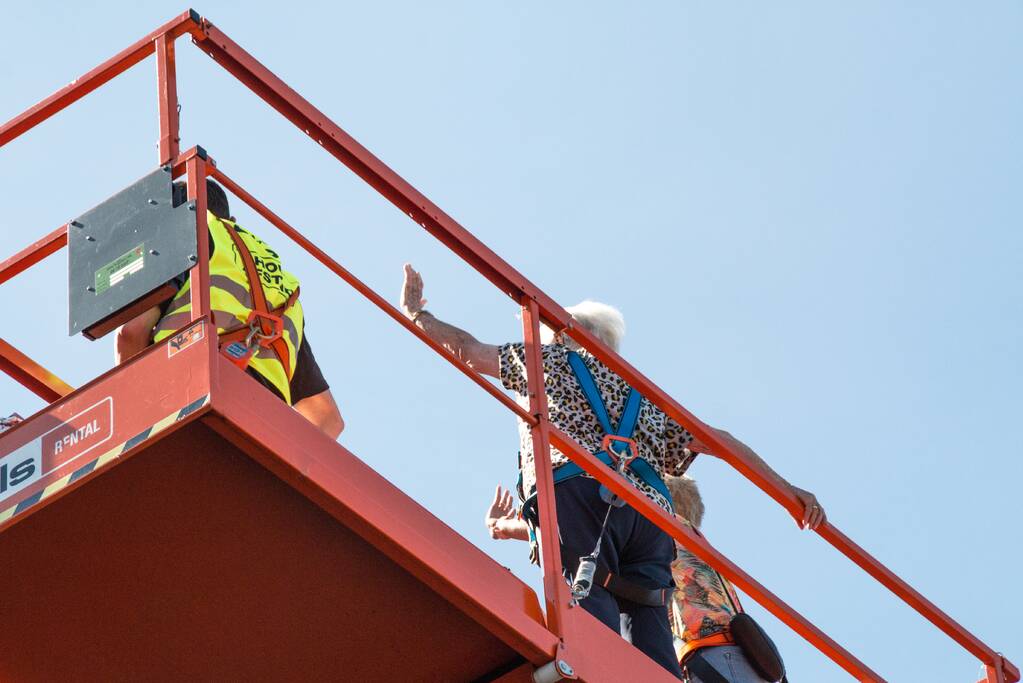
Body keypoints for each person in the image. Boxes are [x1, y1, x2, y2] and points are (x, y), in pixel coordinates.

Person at [401, 264, 823, 679]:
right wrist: (787, 490)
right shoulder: (643, 394)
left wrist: (419, 314)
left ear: (564, 333)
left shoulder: (549, 361)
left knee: (591, 609)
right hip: (649, 516)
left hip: (579, 491)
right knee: (650, 625)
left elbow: (469, 351)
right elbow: (718, 440)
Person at [485, 477, 784, 683]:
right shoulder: (700, 544)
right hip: (742, 659)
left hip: (712, 656)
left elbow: (567, 531)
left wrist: (504, 527)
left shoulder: (664, 527)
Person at [114, 180, 344, 439]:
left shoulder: (189, 233)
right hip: (264, 426)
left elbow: (132, 333)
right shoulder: (286, 290)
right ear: (231, 219)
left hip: (189, 389)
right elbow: (328, 418)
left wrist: (129, 424)